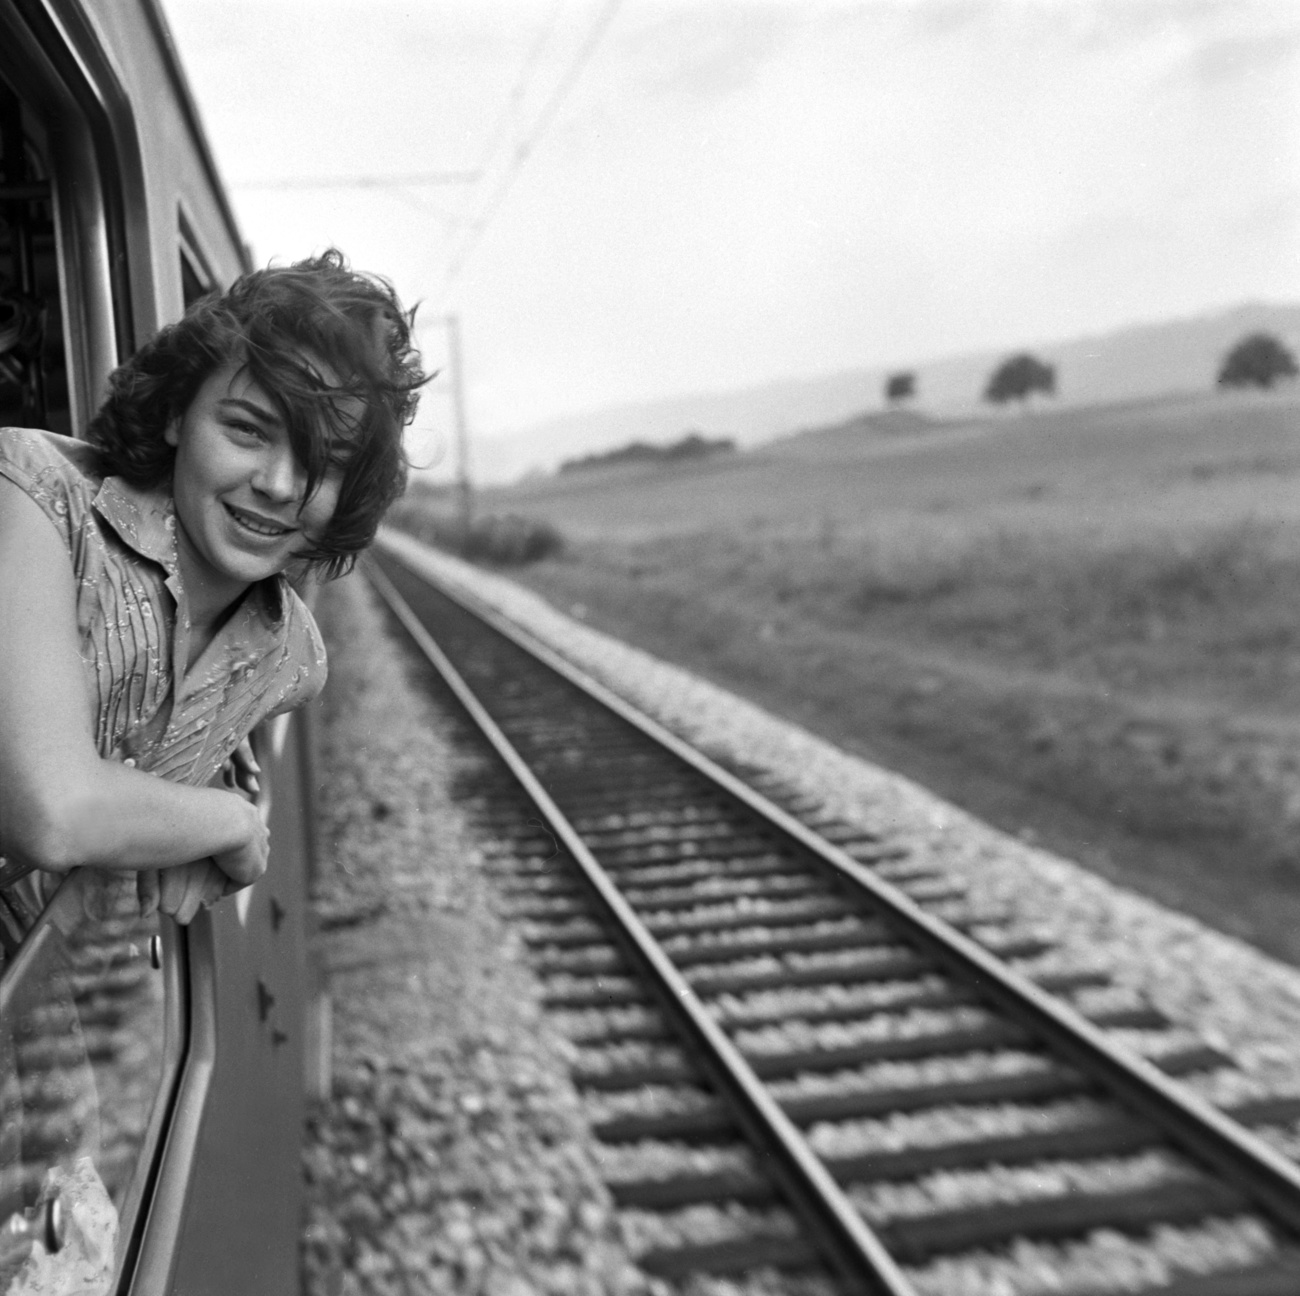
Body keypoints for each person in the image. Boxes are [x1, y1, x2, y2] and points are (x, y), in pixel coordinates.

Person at [0, 248, 425, 927]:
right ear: (177, 415)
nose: (280, 485)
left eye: (327, 461)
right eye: (248, 430)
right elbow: (51, 813)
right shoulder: (33, 496)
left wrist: (199, 800)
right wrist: (228, 823)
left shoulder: (292, 662)